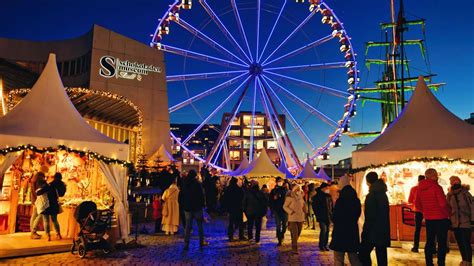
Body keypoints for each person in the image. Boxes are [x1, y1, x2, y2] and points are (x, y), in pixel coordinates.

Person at [415, 168, 451, 266]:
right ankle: (441, 263)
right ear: (433, 176)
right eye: (436, 175)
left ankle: (429, 263)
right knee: (441, 243)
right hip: (441, 218)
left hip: (429, 219)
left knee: (429, 241)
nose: (437, 176)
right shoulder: (437, 187)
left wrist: (426, 211)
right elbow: (443, 204)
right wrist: (449, 212)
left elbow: (417, 204)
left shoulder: (420, 188)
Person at [359, 172, 390, 266]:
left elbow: (370, 216)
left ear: (368, 181)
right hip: (383, 228)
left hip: (373, 230)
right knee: (381, 255)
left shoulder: (372, 195)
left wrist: (365, 231)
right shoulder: (382, 193)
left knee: (363, 253)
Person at [330, 175, 362, 266]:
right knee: (354, 258)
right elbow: (357, 214)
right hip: (352, 231)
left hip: (340, 232)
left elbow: (335, 216)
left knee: (338, 258)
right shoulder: (355, 199)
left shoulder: (341, 200)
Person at [179, 170, 208, 250]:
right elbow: (201, 196)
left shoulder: (185, 184)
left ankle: (186, 243)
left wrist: (183, 205)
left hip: (188, 208)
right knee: (200, 225)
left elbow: (181, 196)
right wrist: (203, 205)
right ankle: (201, 241)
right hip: (197, 208)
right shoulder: (198, 184)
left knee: (188, 226)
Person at [447, 176, 473, 266]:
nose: (453, 183)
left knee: (466, 242)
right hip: (455, 223)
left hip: (465, 222)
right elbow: (448, 208)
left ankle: (468, 261)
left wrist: (472, 220)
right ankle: (464, 260)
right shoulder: (450, 195)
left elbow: (472, 207)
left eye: (454, 181)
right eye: (451, 182)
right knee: (460, 243)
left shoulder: (466, 193)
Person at [37, 172, 66, 241]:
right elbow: (62, 194)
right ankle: (58, 234)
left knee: (46, 221)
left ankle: (48, 236)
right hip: (54, 204)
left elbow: (40, 192)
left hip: (46, 204)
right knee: (55, 220)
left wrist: (38, 191)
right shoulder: (62, 185)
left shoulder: (50, 184)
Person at [283, 184, 307, 254]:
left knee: (298, 233)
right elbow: (284, 206)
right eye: (297, 189)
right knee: (295, 233)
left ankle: (293, 242)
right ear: (294, 190)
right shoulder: (289, 198)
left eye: (299, 189)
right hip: (292, 218)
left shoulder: (301, 197)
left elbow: (303, 206)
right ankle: (294, 248)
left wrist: (305, 211)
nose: (299, 191)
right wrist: (290, 211)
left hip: (300, 218)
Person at [221, 177, 245, 241]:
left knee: (231, 222)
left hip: (231, 208)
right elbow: (242, 197)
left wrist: (226, 207)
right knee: (240, 222)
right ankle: (241, 235)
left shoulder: (228, 189)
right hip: (238, 207)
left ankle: (230, 236)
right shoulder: (238, 189)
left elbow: (225, 198)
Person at [312, 183, 333, 251]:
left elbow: (331, 206)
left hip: (328, 216)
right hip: (321, 216)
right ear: (323, 188)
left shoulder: (328, 196)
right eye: (327, 188)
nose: (328, 189)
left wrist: (331, 214)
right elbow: (315, 207)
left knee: (327, 231)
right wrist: (317, 214)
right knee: (324, 230)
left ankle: (325, 245)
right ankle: (321, 245)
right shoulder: (317, 196)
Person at [408, 175, 426, 252]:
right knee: (430, 229)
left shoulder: (414, 189)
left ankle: (416, 247)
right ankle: (431, 247)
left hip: (418, 211)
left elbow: (410, 200)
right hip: (427, 211)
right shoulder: (427, 188)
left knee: (417, 229)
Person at [30, 166, 48, 239]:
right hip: (39, 199)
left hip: (34, 199)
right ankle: (33, 232)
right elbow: (40, 190)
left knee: (34, 215)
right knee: (39, 215)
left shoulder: (35, 177)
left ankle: (32, 231)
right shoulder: (40, 179)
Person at [270, 176, 288, 246]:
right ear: (276, 182)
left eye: (281, 181)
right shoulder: (273, 191)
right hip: (277, 210)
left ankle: (282, 234)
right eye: (279, 181)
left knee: (284, 226)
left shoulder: (285, 190)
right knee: (278, 225)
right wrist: (272, 209)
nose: (280, 182)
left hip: (284, 210)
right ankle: (279, 240)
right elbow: (270, 201)